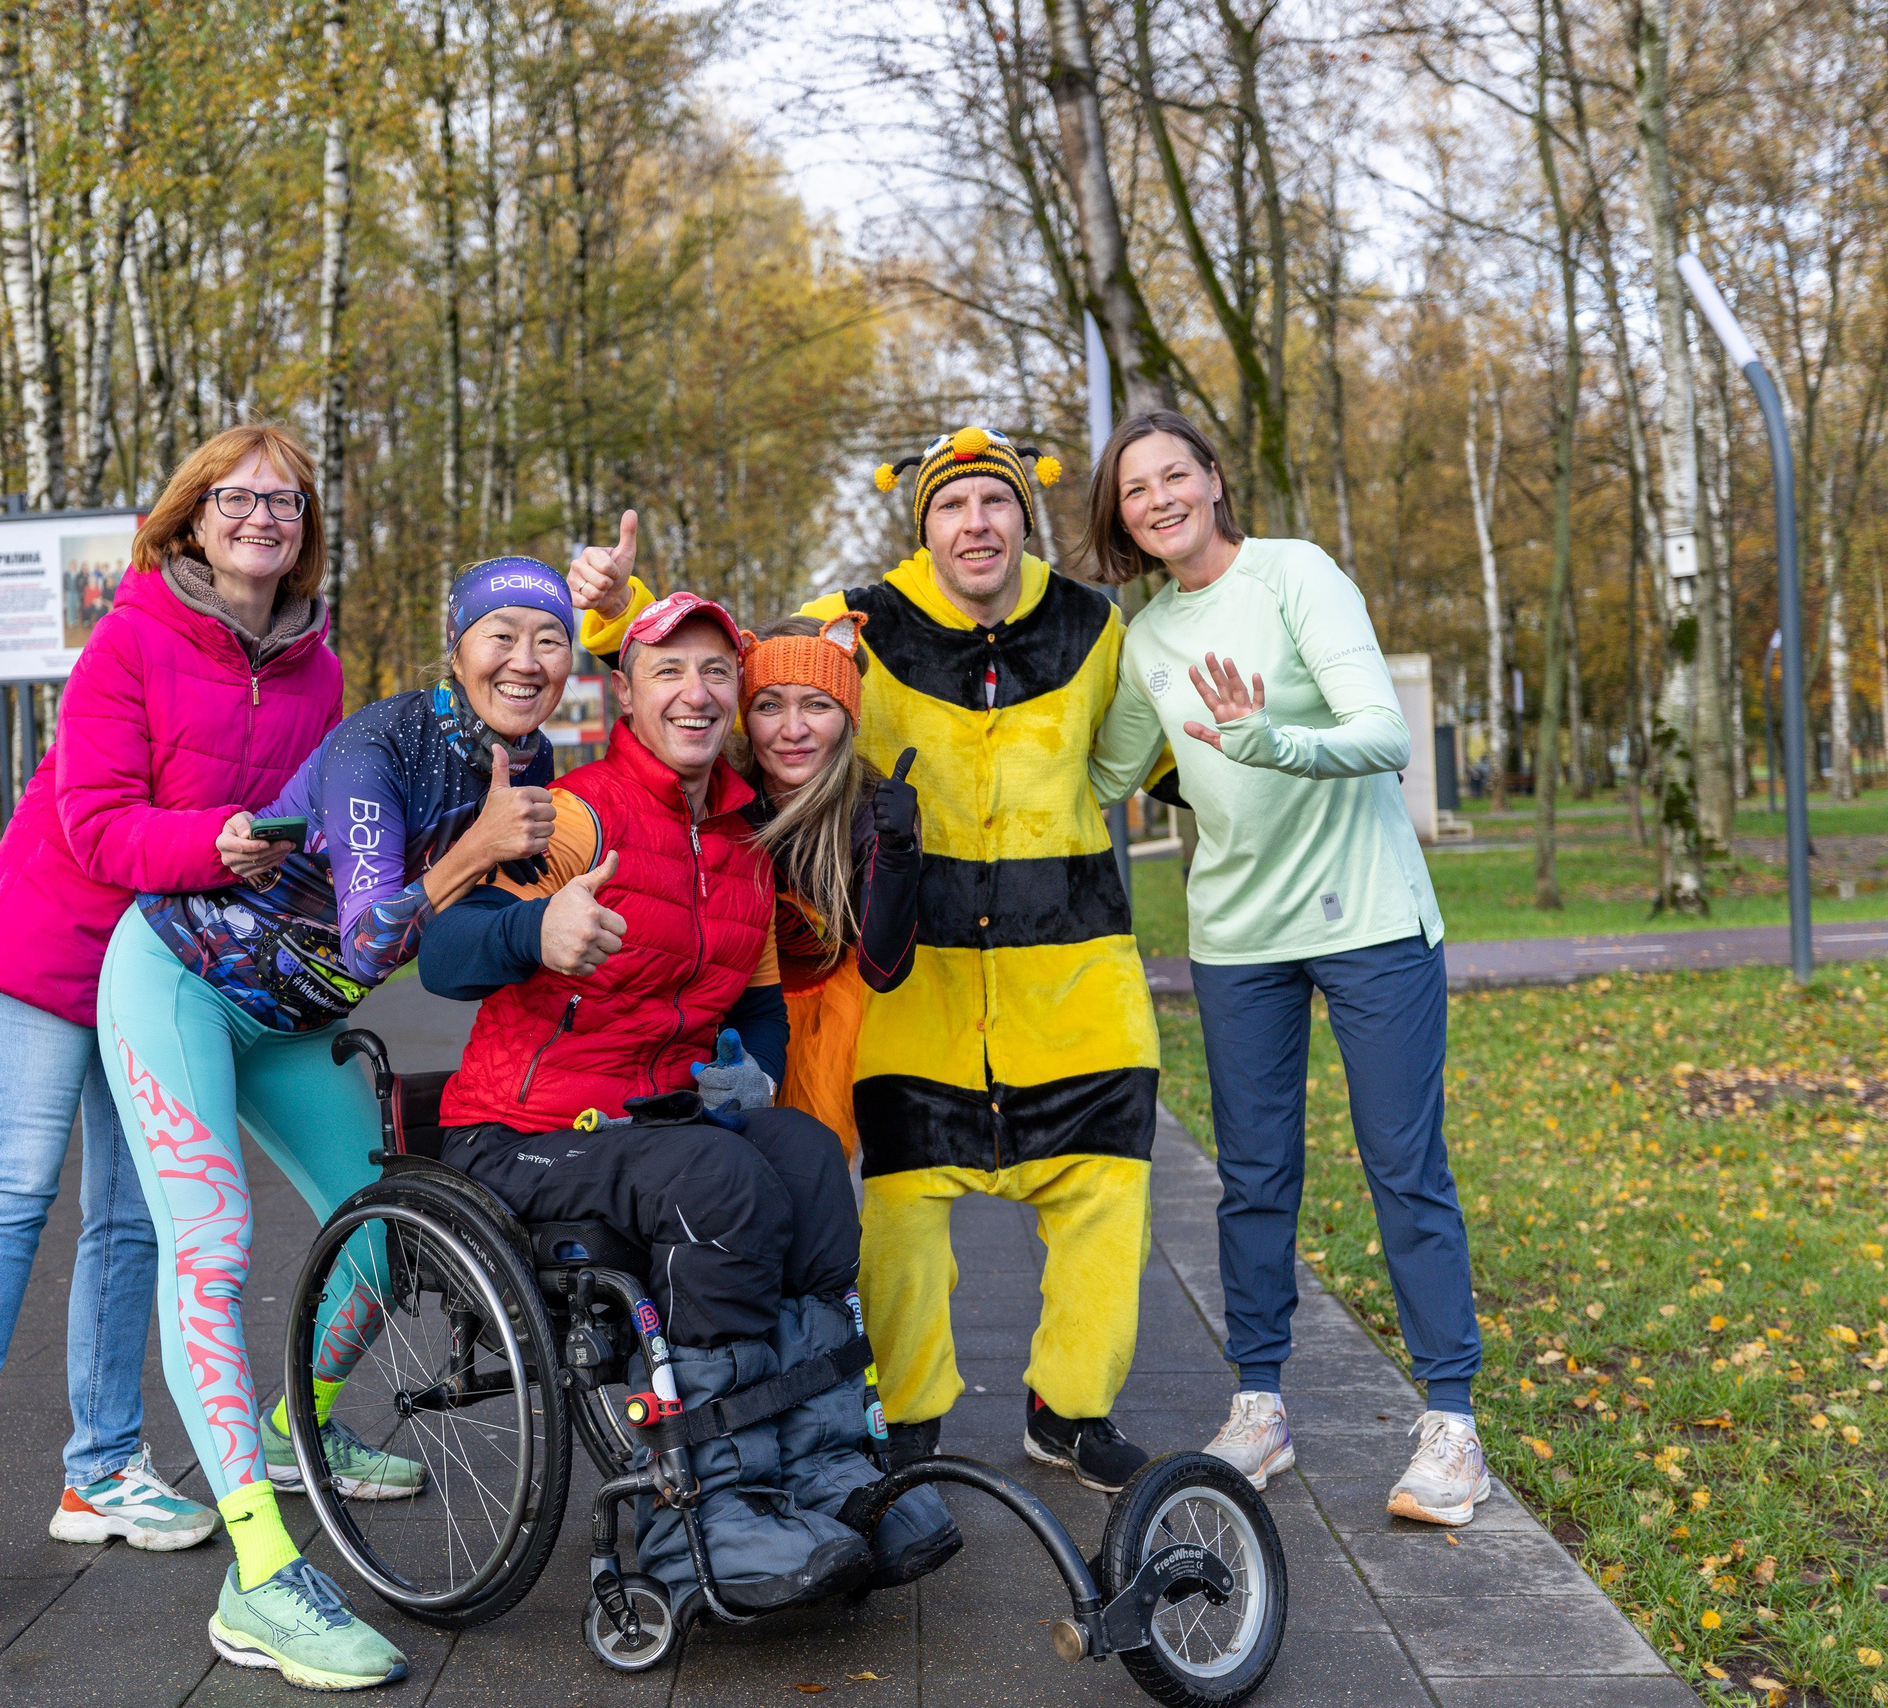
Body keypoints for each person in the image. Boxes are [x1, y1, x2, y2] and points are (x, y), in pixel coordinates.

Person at [572, 428, 1181, 1496]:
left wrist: (1267, 747)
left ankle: (1071, 1411)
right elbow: (737, 674)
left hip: (1075, 982)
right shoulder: (857, 621)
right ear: (924, 526)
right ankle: (907, 1418)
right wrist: (624, 613)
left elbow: (1165, 750)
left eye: (995, 504)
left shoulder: (1094, 627)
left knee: (1105, 1198)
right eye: (953, 508)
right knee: (900, 1213)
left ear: (1023, 518)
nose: (976, 524)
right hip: (916, 984)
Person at [418, 591, 960, 1612]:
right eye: (669, 670)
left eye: (717, 672)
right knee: (719, 1180)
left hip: (651, 1125)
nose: (696, 691)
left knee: (800, 1152)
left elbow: (759, 1010)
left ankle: (826, 1472)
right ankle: (697, 1515)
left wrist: (746, 1071)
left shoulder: (745, 844)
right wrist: (532, 935)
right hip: (521, 1132)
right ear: (626, 690)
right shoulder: (578, 814)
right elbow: (441, 955)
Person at [97, 558, 580, 1688]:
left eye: (549, 639)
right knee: (211, 1245)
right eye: (500, 634)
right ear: (453, 644)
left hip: (293, 1018)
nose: (525, 659)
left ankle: (287, 1426)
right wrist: (471, 854)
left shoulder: (525, 760)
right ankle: (258, 1578)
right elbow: (373, 941)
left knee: (381, 1238)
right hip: (179, 981)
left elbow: (466, 951)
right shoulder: (381, 748)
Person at [0, 422, 342, 1632]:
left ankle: (98, 1467)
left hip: (172, 972)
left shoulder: (315, 667)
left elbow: (309, 819)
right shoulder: (132, 636)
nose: (266, 517)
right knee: (14, 1191)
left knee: (137, 1212)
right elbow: (96, 824)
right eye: (241, 497)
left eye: (290, 502)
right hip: (56, 953)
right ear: (192, 515)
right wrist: (214, 845)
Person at [1085, 407, 1485, 1526]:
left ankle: (1449, 1424)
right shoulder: (1147, 633)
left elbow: (1381, 736)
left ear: (1213, 479)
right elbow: (1101, 768)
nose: (1158, 498)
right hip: (1238, 936)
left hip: (1366, 916)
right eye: (1134, 489)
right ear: (1120, 517)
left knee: (1401, 1165)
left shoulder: (1294, 574)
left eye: (1175, 474)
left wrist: (1267, 741)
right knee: (1252, 1180)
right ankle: (1258, 1404)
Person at [728, 613, 922, 1158]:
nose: (793, 730)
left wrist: (897, 853)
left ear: (849, 715)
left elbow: (884, 971)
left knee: (803, 1176)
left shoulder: (871, 809)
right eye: (769, 705)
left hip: (822, 1023)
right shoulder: (721, 796)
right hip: (722, 1013)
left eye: (817, 704)